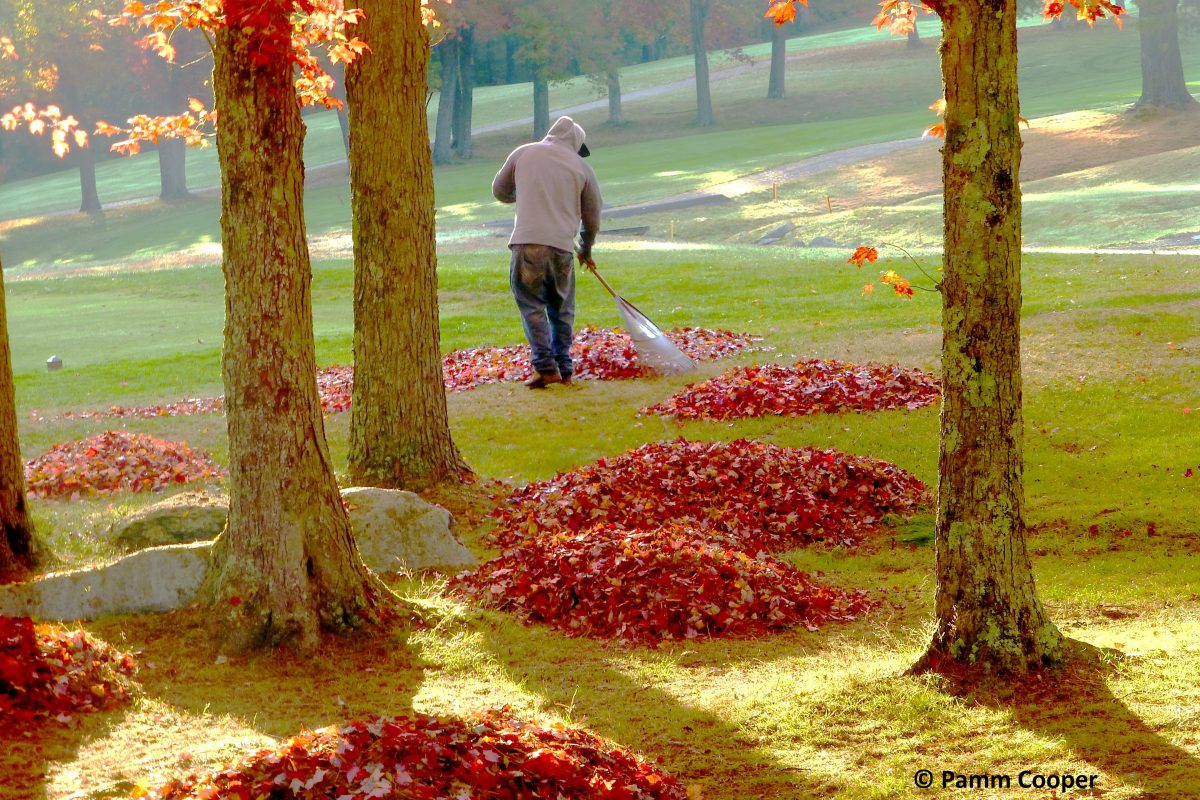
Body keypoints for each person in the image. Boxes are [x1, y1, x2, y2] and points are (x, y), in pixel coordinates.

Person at [492, 116, 602, 389]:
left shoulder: (523, 153)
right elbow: (593, 217)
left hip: (527, 244)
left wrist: (529, 192)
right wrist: (586, 247)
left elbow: (499, 191)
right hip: (563, 248)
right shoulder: (582, 168)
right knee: (562, 309)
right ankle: (563, 367)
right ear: (576, 143)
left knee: (532, 306)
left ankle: (545, 367)